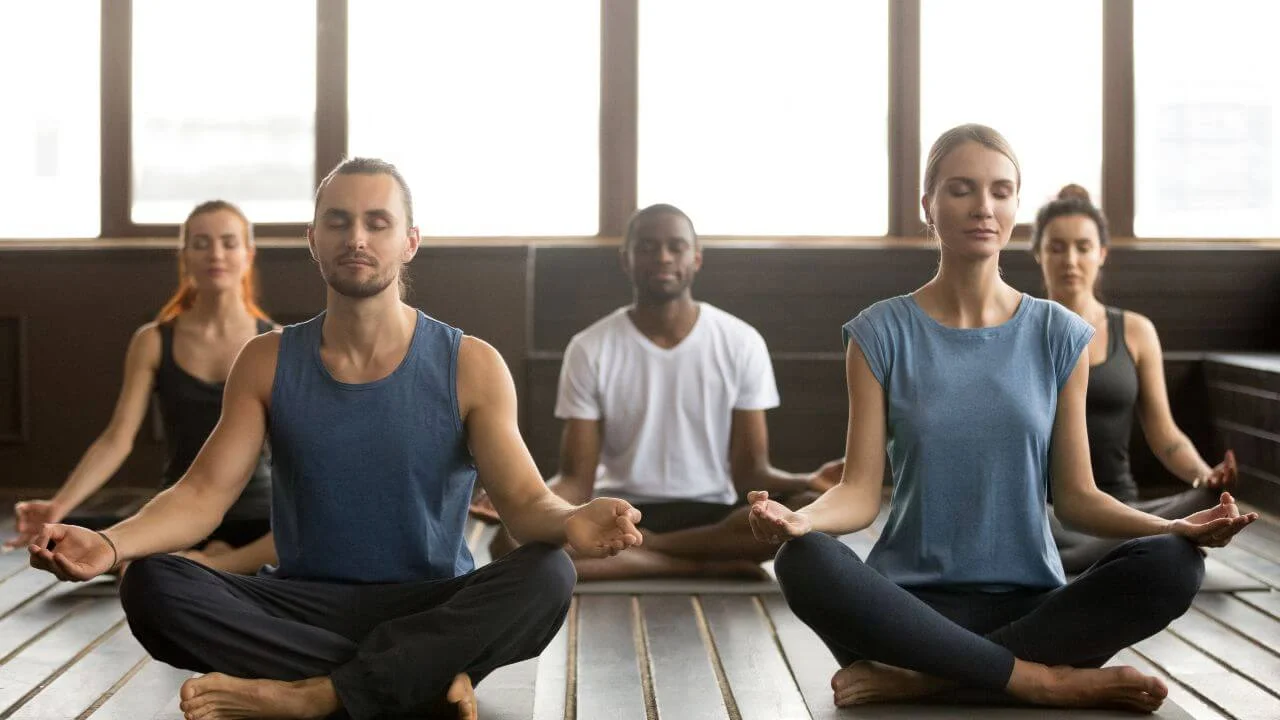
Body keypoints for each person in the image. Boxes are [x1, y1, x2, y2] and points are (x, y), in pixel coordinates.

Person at [27, 157, 643, 720]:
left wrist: (570, 522)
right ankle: (413, 680)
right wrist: (109, 544)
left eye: (378, 223)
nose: (356, 238)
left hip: (431, 601)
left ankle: (317, 695)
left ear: (409, 242)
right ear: (312, 240)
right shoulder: (266, 360)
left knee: (548, 575)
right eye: (338, 222)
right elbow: (202, 495)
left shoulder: (471, 364)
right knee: (152, 583)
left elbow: (524, 503)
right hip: (300, 602)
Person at [748, 124, 1257, 712]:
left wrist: (1174, 529)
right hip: (907, 612)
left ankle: (931, 677)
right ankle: (1040, 680)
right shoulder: (879, 333)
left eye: (1001, 191)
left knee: (1174, 565)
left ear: (1015, 204)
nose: (983, 207)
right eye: (961, 189)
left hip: (1032, 608)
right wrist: (800, 520)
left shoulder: (1058, 334)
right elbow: (859, 493)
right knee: (802, 560)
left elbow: (1077, 499)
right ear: (928, 205)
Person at [473, 203, 839, 580]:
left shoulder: (740, 341)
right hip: (620, 512)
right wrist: (518, 501)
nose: (662, 257)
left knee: (808, 510)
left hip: (712, 515)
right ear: (626, 260)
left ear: (695, 258)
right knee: (508, 544)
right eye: (647, 247)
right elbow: (576, 480)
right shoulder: (590, 347)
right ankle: (698, 567)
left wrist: (809, 482)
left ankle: (650, 553)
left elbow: (750, 473)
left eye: (675, 246)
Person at [8, 201, 276, 574]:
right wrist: (59, 505)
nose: (216, 253)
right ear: (184, 256)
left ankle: (214, 564)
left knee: (302, 534)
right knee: (94, 549)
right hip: (179, 514)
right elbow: (117, 438)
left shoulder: (274, 343)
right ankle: (204, 560)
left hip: (260, 516)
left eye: (229, 243)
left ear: (248, 255)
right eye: (201, 243)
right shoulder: (153, 340)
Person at [1031, 184, 1238, 573]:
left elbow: (1165, 433)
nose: (1070, 260)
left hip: (1121, 508)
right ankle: (1143, 543)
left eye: (1083, 247)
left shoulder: (1136, 331)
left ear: (1102, 254)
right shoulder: (1018, 329)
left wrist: (1204, 475)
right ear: (1038, 253)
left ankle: (1118, 546)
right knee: (1030, 522)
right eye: (1056, 247)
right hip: (1045, 511)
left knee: (1200, 502)